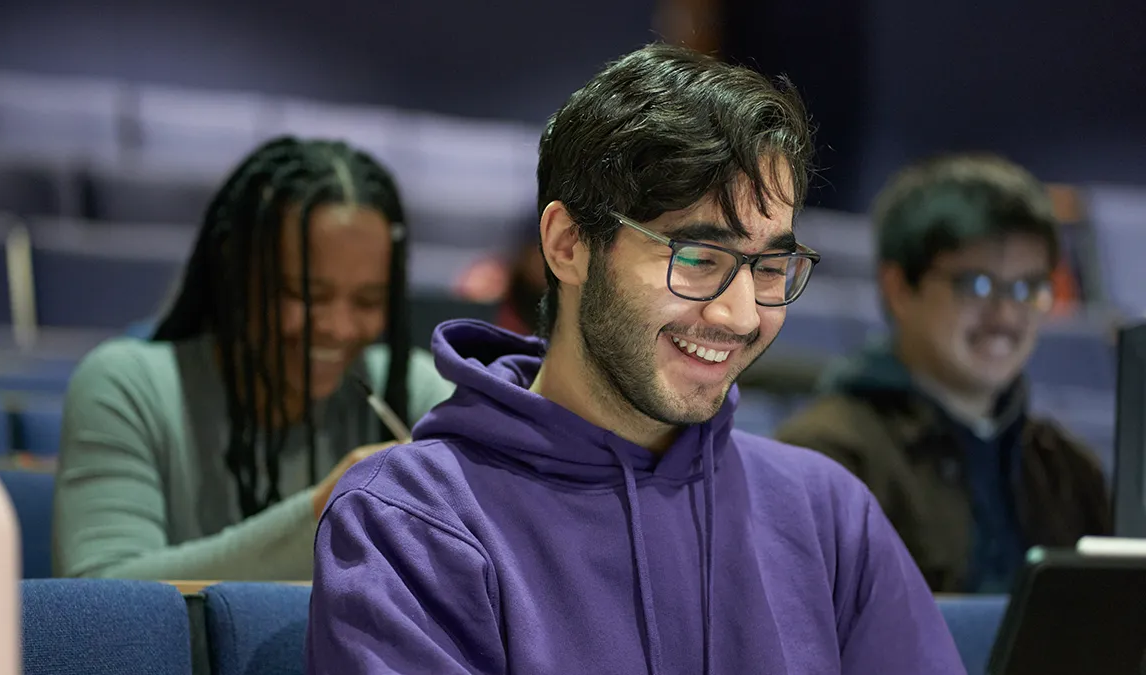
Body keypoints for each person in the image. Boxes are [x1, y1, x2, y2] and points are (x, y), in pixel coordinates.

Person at [307, 44, 965, 674]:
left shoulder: (829, 515)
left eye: (769, 266)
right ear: (567, 245)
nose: (740, 314)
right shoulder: (410, 521)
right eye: (698, 257)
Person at [52, 137, 455, 580]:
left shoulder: (411, 389)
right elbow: (101, 595)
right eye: (304, 294)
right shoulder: (127, 387)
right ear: (234, 272)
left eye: (367, 301)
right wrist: (326, 510)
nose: (339, 327)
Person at [775, 153, 1111, 594]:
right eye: (977, 284)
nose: (1006, 315)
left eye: (1029, 288)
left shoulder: (1069, 469)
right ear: (899, 287)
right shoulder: (825, 455)